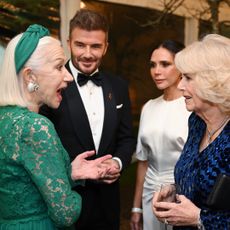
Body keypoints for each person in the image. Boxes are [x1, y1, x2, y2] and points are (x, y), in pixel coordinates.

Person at [0, 24, 113, 230]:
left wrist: (68, 173)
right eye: (59, 67)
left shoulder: (5, 118)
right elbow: (65, 213)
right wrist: (73, 197)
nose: (68, 76)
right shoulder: (35, 126)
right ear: (29, 76)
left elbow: (21, 182)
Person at [39, 9, 136, 230]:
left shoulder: (119, 87)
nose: (88, 54)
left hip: (109, 205)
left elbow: (127, 138)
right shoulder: (50, 86)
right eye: (80, 45)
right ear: (68, 43)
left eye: (96, 46)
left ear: (106, 47)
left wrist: (117, 162)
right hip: (66, 203)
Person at [152, 34, 230, 229]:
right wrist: (175, 190)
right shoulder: (196, 122)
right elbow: (195, 174)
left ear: (212, 82)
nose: (180, 85)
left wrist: (199, 219)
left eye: (187, 78)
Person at [130, 40, 191, 230]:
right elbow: (143, 161)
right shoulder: (148, 107)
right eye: (153, 65)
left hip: (182, 194)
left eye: (165, 64)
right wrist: (136, 207)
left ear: (180, 67)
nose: (157, 71)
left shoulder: (192, 108)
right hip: (150, 192)